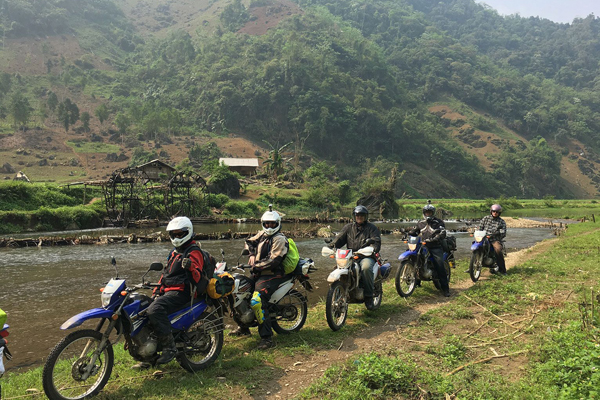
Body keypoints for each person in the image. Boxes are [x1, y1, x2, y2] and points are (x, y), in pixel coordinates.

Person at [146, 216, 206, 365]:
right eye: (174, 234)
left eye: (180, 234)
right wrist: (157, 290)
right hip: (168, 290)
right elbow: (165, 274)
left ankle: (169, 348)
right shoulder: (174, 252)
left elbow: (197, 276)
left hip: (183, 292)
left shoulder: (194, 251)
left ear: (188, 232)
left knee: (155, 310)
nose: (177, 237)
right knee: (143, 307)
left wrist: (190, 267)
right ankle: (148, 354)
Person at [229, 206, 289, 350]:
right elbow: (249, 242)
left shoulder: (280, 239)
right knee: (234, 291)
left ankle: (266, 338)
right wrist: (251, 254)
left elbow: (274, 260)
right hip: (258, 273)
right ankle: (243, 327)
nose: (269, 226)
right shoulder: (262, 234)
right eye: (267, 224)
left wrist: (256, 266)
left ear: (278, 224)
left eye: (272, 224)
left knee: (257, 300)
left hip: (272, 275)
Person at [330, 205, 381, 310]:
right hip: (350, 256)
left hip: (366, 256)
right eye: (357, 215)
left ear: (365, 216)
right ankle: (337, 295)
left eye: (361, 215)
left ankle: (368, 297)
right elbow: (339, 239)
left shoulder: (372, 228)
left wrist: (372, 248)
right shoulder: (348, 227)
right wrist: (331, 246)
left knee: (366, 268)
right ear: (354, 216)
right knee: (337, 267)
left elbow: (376, 242)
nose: (359, 217)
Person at [409, 202, 450, 297]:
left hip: (435, 246)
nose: (428, 214)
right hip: (424, 245)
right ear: (424, 213)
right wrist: (409, 233)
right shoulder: (421, 223)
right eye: (426, 212)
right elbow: (415, 231)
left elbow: (442, 233)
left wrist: (435, 238)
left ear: (433, 213)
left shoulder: (438, 222)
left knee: (439, 264)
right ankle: (416, 281)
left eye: (430, 212)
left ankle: (445, 289)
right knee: (415, 258)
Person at [479, 204, 507, 275]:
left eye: (497, 212)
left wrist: (497, 233)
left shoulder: (501, 222)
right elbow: (480, 227)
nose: (495, 213)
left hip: (494, 240)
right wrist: (477, 232)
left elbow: (503, 232)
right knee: (475, 246)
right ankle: (472, 265)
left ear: (499, 213)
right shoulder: (486, 218)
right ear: (491, 211)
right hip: (483, 238)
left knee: (498, 250)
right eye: (493, 211)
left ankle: (502, 270)